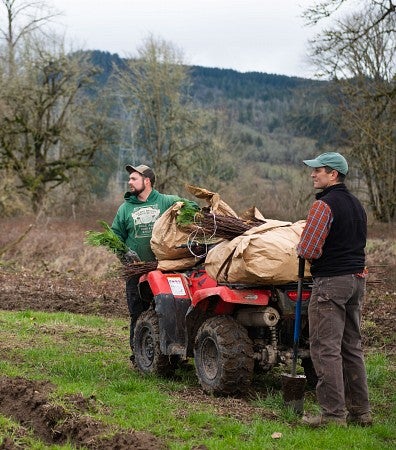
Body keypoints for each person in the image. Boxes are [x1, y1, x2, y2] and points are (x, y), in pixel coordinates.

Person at [296, 152, 372, 428]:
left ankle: (332, 416)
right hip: (356, 280)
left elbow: (308, 249)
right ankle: (361, 413)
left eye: (319, 170)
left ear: (334, 175)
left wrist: (298, 247)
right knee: (352, 347)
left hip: (330, 283)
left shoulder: (323, 206)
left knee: (325, 348)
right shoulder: (357, 205)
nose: (313, 174)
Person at [111, 164, 185, 362]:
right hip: (136, 272)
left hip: (165, 270)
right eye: (130, 179)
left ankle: (173, 357)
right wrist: (124, 252)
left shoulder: (167, 201)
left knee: (169, 312)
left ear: (147, 181)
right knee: (138, 313)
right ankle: (139, 356)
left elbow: (190, 209)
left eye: (134, 178)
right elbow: (114, 236)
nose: (129, 182)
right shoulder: (125, 209)